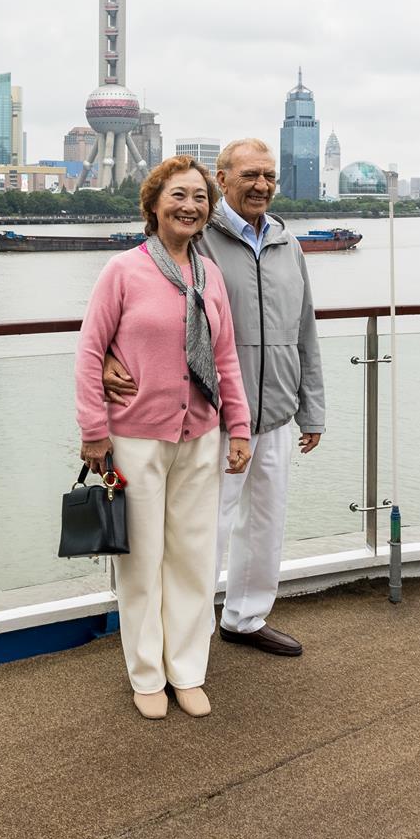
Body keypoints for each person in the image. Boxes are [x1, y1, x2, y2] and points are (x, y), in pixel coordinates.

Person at [105, 137, 325, 657]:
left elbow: (305, 330)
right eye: (250, 175)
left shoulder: (287, 245)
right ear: (220, 180)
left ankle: (246, 618)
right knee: (205, 531)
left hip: (274, 413)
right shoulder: (197, 236)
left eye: (269, 175)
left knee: (266, 523)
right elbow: (137, 300)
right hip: (213, 414)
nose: (262, 185)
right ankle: (191, 630)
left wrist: (311, 406)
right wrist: (114, 353)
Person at [75, 156, 252, 720]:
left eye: (200, 197)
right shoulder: (123, 271)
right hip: (136, 438)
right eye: (179, 195)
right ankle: (147, 673)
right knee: (142, 562)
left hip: (200, 434)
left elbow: (224, 357)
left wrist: (239, 427)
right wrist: (94, 431)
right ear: (153, 205)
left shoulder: (210, 276)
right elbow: (88, 351)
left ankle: (188, 670)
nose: (191, 206)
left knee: (195, 559)